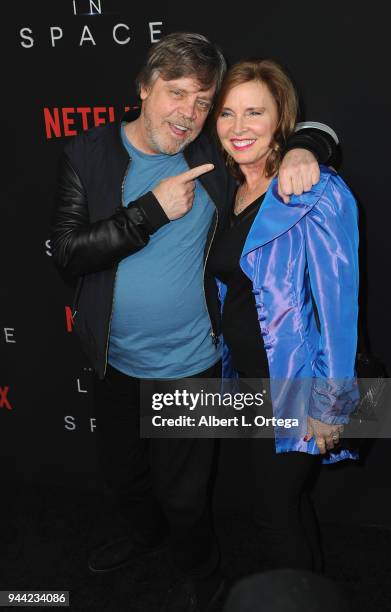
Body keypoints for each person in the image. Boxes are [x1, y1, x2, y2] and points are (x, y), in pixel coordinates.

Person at [51, 33, 340, 611]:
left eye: (203, 100)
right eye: (175, 92)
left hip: (193, 367)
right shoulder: (89, 152)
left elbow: (277, 128)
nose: (189, 112)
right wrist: (149, 212)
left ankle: (202, 570)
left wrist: (311, 144)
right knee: (126, 481)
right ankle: (143, 537)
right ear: (142, 89)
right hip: (111, 360)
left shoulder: (213, 156)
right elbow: (68, 255)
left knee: (190, 498)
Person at [208, 59, 359, 572]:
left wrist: (332, 403)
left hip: (299, 384)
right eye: (227, 113)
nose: (239, 127)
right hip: (249, 380)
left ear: (280, 119)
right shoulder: (229, 189)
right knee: (287, 506)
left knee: (274, 516)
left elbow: (339, 305)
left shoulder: (313, 190)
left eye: (255, 112)